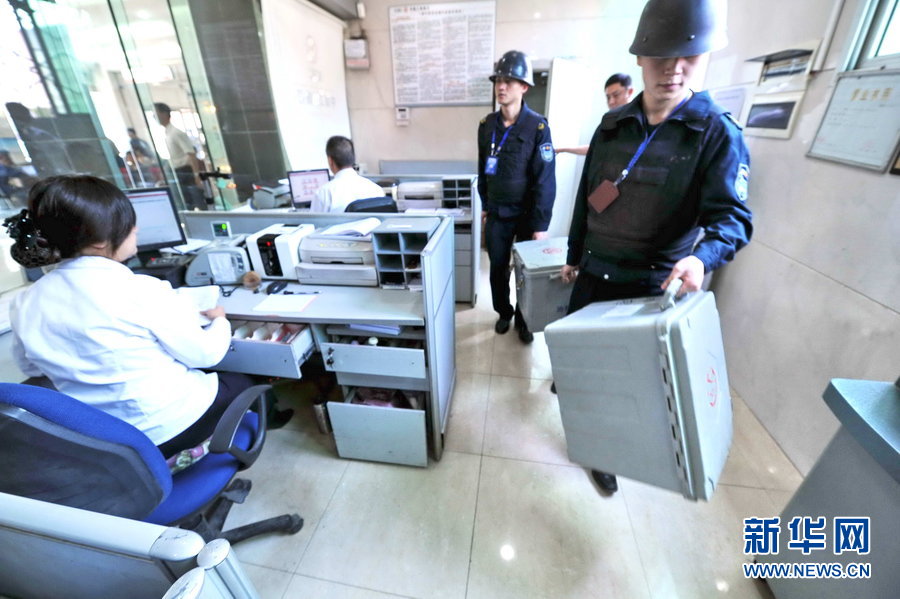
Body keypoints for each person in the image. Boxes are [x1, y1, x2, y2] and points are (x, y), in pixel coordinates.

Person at [558, 0, 753, 494]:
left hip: (650, 284)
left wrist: (701, 257)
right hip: (593, 274)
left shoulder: (715, 134)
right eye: (662, 56)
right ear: (641, 58)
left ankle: (603, 453)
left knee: (624, 385)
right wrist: (573, 256)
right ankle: (583, 423)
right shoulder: (613, 125)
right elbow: (588, 199)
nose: (675, 69)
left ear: (707, 57)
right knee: (581, 370)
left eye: (689, 56)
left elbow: (733, 218)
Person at [4, 175, 268, 458]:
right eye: (128, 225)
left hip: (109, 442)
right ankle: (253, 430)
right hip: (172, 428)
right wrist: (219, 320)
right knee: (247, 377)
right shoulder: (139, 290)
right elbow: (206, 355)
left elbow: (31, 368)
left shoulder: (24, 301)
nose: (136, 229)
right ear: (100, 240)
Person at [477, 50, 557, 344]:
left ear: (524, 87)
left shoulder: (537, 127)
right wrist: (485, 205)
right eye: (499, 79)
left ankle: (525, 319)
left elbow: (545, 179)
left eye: (510, 81)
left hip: (526, 217)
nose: (501, 86)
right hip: (497, 214)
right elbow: (482, 168)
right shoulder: (487, 126)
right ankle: (504, 312)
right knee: (497, 269)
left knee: (526, 274)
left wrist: (540, 225)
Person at [555, 73, 636, 156]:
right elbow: (596, 148)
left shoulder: (640, 121)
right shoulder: (610, 121)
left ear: (629, 92)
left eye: (616, 95)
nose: (611, 102)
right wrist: (563, 149)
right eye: (608, 97)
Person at [311, 135, 385, 213]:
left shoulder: (324, 193)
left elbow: (311, 224)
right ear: (353, 158)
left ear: (330, 161)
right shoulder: (377, 190)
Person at [153, 102, 206, 210]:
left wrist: (196, 176)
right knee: (185, 201)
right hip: (178, 172)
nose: (155, 116)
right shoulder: (168, 133)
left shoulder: (176, 133)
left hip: (186, 171)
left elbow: (191, 154)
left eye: (156, 113)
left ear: (164, 114)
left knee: (195, 201)